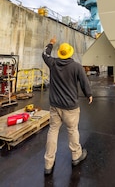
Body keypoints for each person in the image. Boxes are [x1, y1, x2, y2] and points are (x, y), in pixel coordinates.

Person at [42, 37, 93, 175]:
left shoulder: (53, 63)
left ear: (60, 53)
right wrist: (89, 94)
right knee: (72, 130)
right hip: (70, 107)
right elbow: (84, 82)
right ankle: (76, 156)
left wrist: (51, 44)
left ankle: (48, 163)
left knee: (53, 131)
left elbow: (45, 54)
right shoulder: (76, 66)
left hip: (54, 106)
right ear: (70, 53)